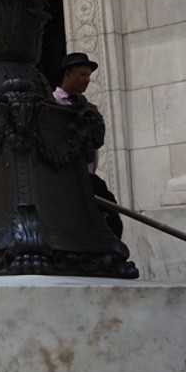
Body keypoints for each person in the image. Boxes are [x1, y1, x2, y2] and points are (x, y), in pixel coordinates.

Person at [52, 52, 123, 239]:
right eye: (83, 74)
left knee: (111, 215)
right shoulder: (52, 103)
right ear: (68, 74)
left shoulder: (89, 108)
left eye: (89, 76)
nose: (87, 80)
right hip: (63, 176)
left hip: (86, 176)